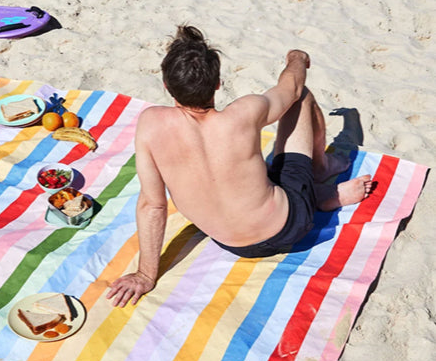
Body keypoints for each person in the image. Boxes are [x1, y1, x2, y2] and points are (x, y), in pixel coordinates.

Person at [106, 26, 374, 307]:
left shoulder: (150, 125)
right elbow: (292, 88)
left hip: (234, 244)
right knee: (301, 97)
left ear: (166, 85)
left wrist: (146, 275)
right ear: (218, 83)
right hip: (292, 223)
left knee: (263, 175)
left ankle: (316, 190)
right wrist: (297, 58)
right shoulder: (245, 112)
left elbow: (153, 205)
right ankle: (319, 170)